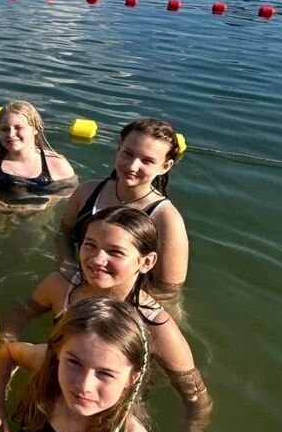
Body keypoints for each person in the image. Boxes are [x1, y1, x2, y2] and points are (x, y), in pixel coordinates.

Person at [0, 206, 211, 432]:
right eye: (90, 245)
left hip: (112, 404)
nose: (97, 259)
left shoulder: (159, 328)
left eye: (115, 252)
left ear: (146, 262)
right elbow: (19, 316)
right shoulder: (61, 286)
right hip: (59, 384)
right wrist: (6, 371)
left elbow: (196, 397)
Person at [0, 297, 174, 432]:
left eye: (105, 373)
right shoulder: (47, 366)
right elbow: (8, 353)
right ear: (58, 351)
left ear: (132, 378)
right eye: (74, 362)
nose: (84, 385)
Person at [55, 118, 187, 298]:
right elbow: (64, 235)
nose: (132, 166)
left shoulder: (166, 219)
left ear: (165, 167)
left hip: (128, 300)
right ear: (119, 148)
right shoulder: (87, 191)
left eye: (147, 161)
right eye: (128, 153)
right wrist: (70, 272)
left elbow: (167, 289)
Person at [0, 101, 77, 213]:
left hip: (37, 214)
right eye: (5, 129)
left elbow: (70, 191)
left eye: (18, 127)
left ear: (36, 128)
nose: (11, 134)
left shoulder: (57, 165)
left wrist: (46, 202)